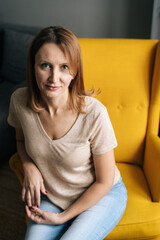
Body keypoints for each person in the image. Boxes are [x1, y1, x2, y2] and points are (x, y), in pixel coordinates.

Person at [8, 26, 127, 240]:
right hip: (53, 196)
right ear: (33, 66)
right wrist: (28, 165)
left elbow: (104, 181)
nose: (54, 78)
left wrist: (63, 218)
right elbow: (20, 140)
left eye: (64, 67)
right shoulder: (19, 101)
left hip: (102, 195)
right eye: (45, 65)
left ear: (75, 71)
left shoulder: (95, 113)